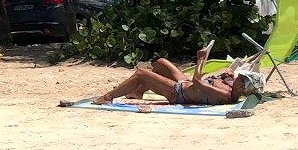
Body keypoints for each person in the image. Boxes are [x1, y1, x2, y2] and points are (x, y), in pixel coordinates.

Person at [83, 41, 263, 107]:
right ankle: (137, 92)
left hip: (178, 93)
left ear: (243, 86)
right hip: (185, 85)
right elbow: (214, 80)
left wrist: (201, 60)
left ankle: (108, 97)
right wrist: (226, 75)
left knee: (141, 73)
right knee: (161, 63)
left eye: (241, 77)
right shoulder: (232, 86)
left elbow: (198, 82)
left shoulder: (225, 95)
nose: (238, 76)